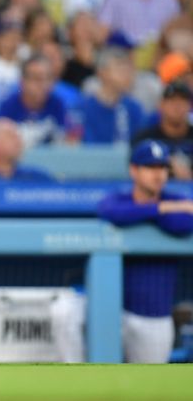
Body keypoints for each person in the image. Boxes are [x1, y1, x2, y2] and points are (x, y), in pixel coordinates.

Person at [97, 140, 193, 363]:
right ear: (134, 170)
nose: (158, 175)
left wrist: (156, 210)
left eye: (162, 168)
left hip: (154, 317)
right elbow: (110, 210)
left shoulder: (176, 200)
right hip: (113, 313)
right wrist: (159, 209)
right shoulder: (121, 198)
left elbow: (183, 224)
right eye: (150, 168)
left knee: (148, 391)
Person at [0, 54, 68, 147]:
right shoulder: (8, 107)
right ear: (22, 82)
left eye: (47, 78)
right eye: (36, 78)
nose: (43, 84)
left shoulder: (57, 105)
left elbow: (65, 141)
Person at [132, 79, 193, 179]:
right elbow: (134, 168)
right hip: (156, 191)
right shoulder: (146, 138)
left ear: (189, 106)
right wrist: (165, 161)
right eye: (172, 101)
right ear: (161, 105)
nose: (177, 106)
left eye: (182, 101)